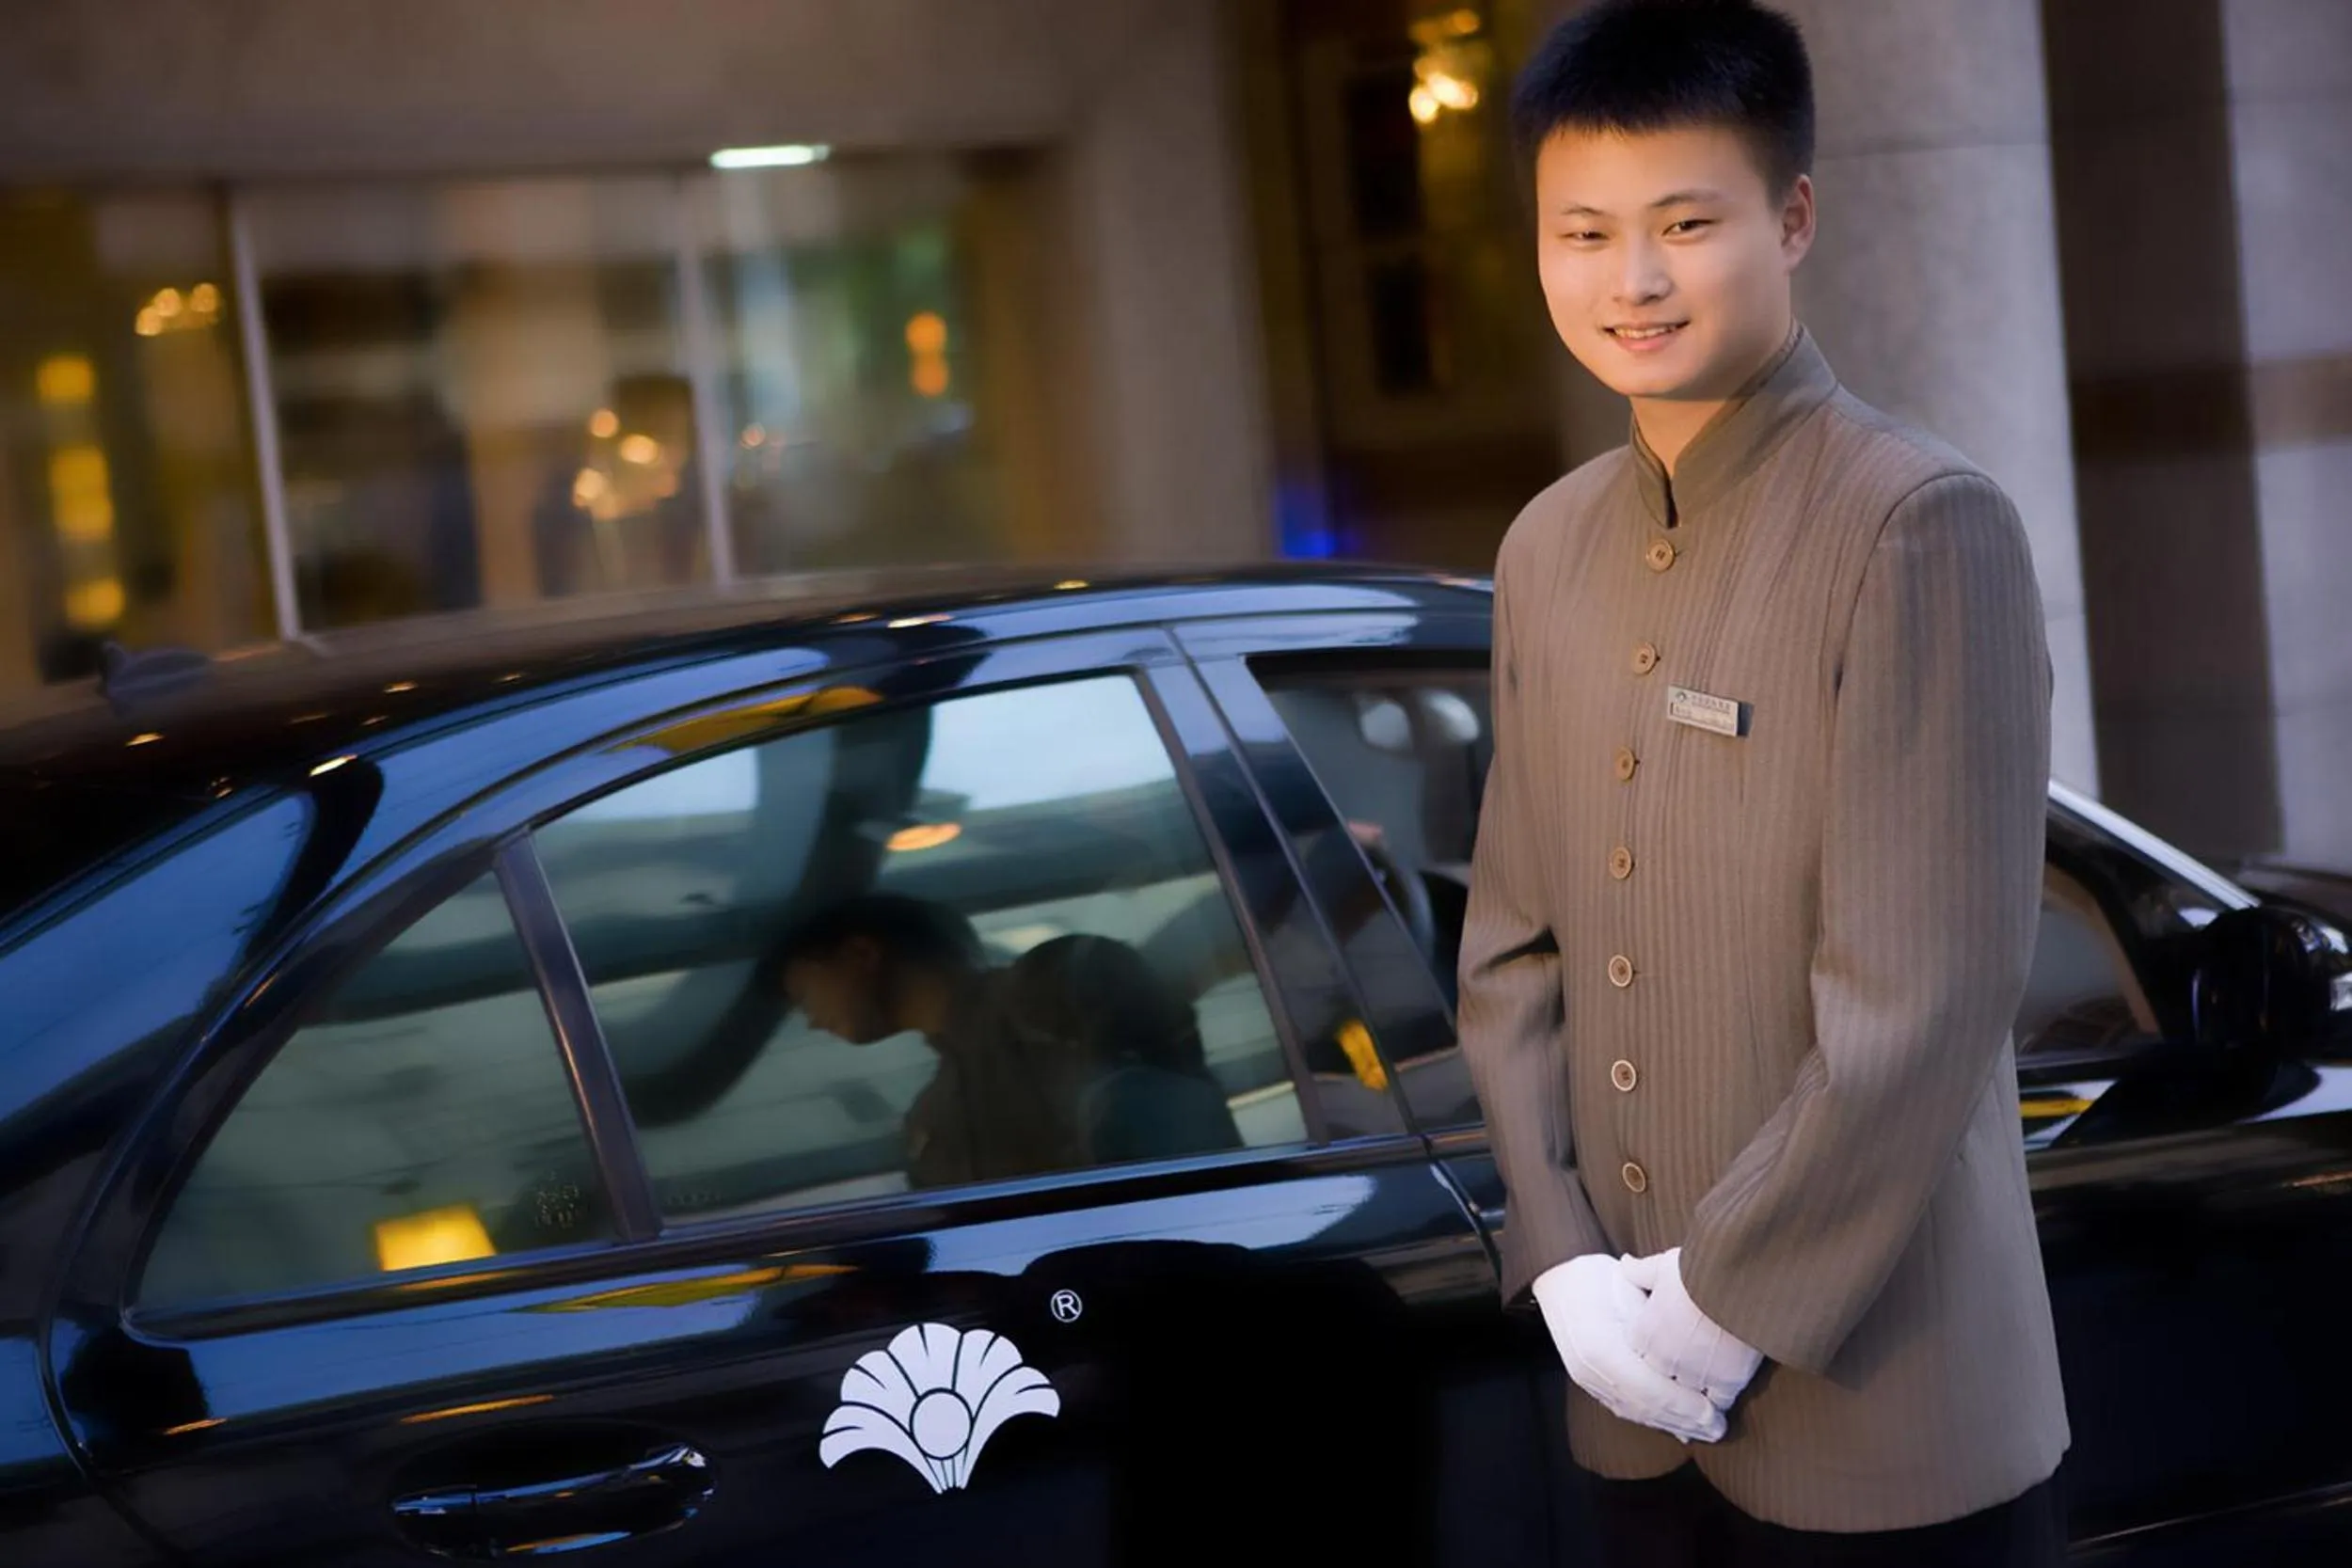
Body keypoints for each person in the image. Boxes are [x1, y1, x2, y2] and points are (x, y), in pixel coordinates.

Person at [1456, 4, 2068, 1564]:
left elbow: (1922, 990)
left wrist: (1723, 1296)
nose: (1631, 279)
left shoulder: (1917, 522)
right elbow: (1515, 954)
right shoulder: (1546, 545)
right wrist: (1564, 1262)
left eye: (1685, 223)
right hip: (1627, 1412)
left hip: (1886, 1413)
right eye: (1582, 231)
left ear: (1792, 216)